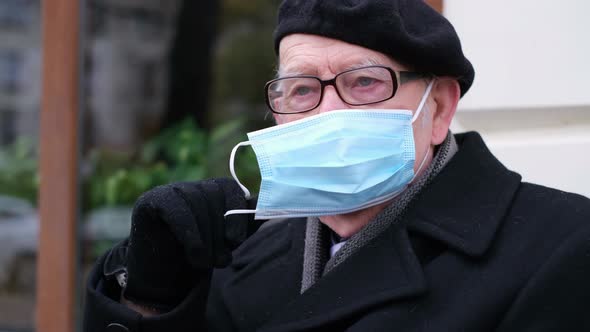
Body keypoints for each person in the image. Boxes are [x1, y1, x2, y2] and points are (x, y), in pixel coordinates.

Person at [84, 0, 590, 331]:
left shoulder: (563, 248)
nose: (328, 113)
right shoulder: (242, 252)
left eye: (365, 83)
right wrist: (152, 293)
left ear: (438, 108)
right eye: (302, 89)